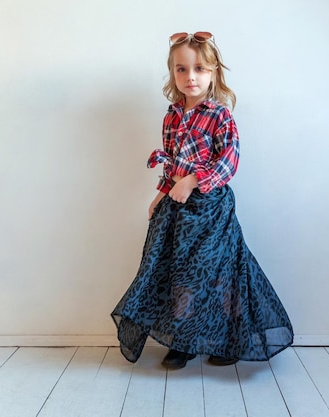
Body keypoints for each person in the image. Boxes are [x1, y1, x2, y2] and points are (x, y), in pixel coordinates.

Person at [111, 31, 293, 369]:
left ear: (213, 73)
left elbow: (229, 162)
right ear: (172, 73)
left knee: (219, 273)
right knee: (181, 274)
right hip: (179, 211)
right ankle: (184, 340)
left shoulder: (219, 115)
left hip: (212, 210)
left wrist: (194, 180)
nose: (190, 77)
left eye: (199, 69)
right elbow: (171, 159)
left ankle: (227, 341)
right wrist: (161, 194)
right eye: (181, 69)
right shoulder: (171, 116)